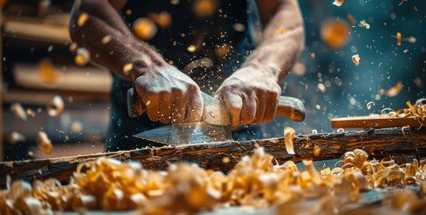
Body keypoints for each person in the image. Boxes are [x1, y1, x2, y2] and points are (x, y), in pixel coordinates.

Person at [69, 0, 304, 151]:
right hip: (144, 131)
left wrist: (261, 69)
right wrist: (148, 67)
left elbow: (284, 17)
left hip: (240, 120)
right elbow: (88, 14)